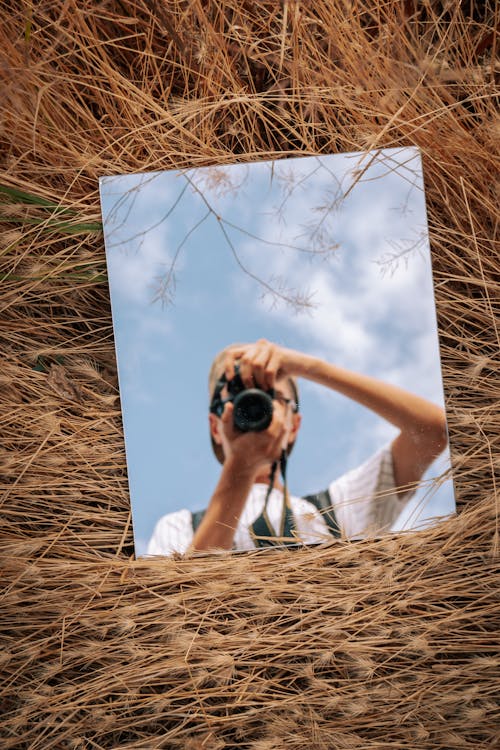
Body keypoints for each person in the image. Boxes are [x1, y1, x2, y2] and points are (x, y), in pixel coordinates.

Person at [147, 339, 448, 556]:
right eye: (239, 397)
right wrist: (240, 470)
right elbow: (176, 611)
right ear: (216, 426)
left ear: (294, 424)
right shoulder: (178, 528)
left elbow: (433, 431)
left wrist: (306, 366)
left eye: (269, 395)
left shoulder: (339, 508)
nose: (254, 406)